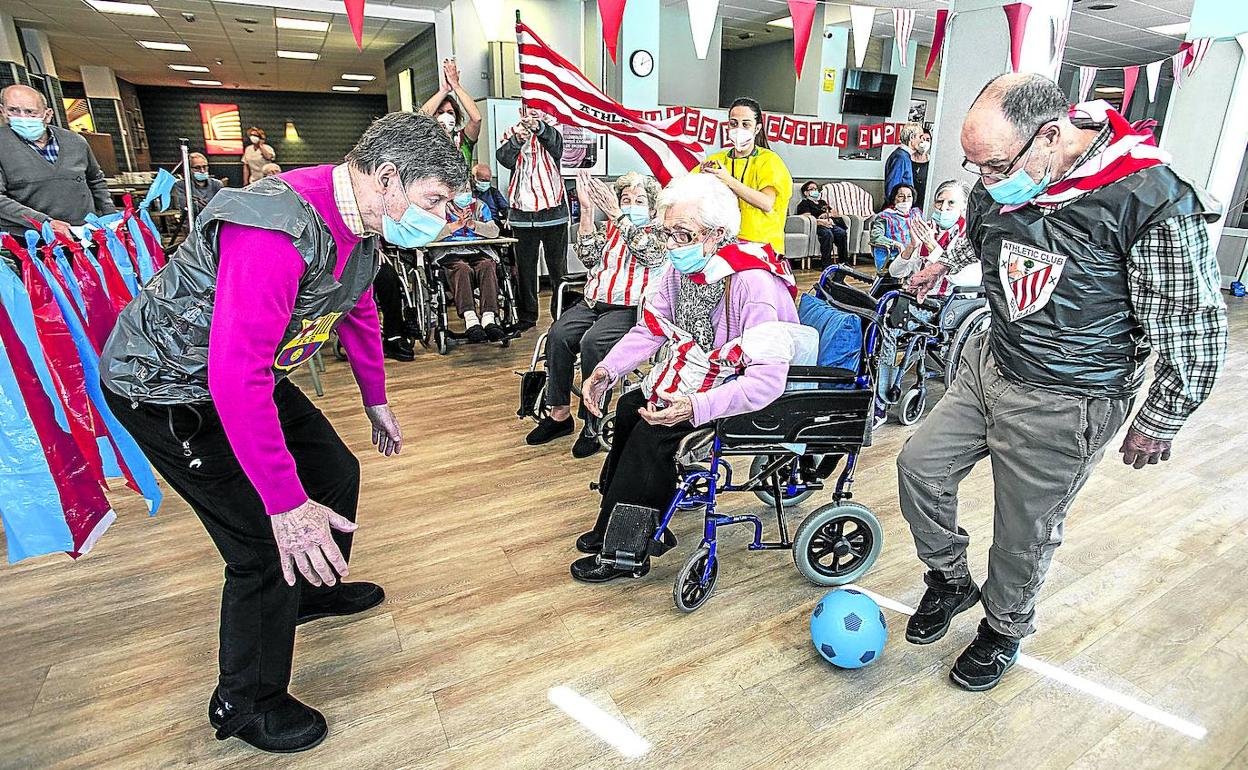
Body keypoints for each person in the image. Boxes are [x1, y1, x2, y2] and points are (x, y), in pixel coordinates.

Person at [99, 111, 464, 753]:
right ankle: (247, 703)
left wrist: (375, 399)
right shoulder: (277, 228)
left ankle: (312, 595)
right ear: (386, 178)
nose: (442, 216)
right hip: (169, 386)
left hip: (249, 372)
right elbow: (232, 377)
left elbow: (356, 304)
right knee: (262, 545)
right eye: (435, 199)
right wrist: (286, 504)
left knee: (335, 471)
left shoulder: (360, 219)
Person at [901, 74, 1226, 692]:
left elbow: (1193, 327)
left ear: (1050, 135)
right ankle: (948, 580)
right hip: (990, 361)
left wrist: (1160, 418)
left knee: (1021, 533)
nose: (985, 183)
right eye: (974, 167)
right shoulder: (1003, 176)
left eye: (994, 167)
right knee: (919, 468)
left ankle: (1003, 628)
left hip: (1068, 397)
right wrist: (948, 261)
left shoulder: (1149, 196)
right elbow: (988, 237)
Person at [569, 174, 800, 583]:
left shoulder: (753, 283)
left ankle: (626, 550)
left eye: (683, 234)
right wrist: (607, 370)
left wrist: (695, 406)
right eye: (666, 233)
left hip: (737, 393)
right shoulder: (682, 272)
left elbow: (767, 383)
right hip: (701, 377)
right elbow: (651, 329)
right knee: (628, 408)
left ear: (717, 235)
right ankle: (620, 520)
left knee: (652, 434)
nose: (671, 245)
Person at [526, 171, 666, 457]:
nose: (629, 204)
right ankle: (559, 414)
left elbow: (650, 257)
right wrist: (588, 211)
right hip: (593, 302)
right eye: (625, 198)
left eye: (638, 200)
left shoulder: (659, 234)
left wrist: (617, 214)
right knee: (558, 335)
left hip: (629, 309)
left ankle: (592, 424)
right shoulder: (610, 229)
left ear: (652, 208)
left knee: (593, 344)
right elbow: (588, 258)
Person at [874, 179, 979, 427]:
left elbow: (962, 278)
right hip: (916, 299)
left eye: (951, 203)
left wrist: (933, 247)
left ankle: (880, 402)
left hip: (947, 305)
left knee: (886, 320)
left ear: (964, 207)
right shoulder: (928, 229)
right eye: (939, 202)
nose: (943, 208)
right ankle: (871, 381)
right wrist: (912, 245)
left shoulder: (969, 239)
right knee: (871, 312)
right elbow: (897, 272)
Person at [0, 84, 116, 238]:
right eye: (13, 111)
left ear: (47, 114)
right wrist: (44, 222)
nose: (22, 117)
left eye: (30, 112)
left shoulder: (75, 141)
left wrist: (110, 216)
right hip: (31, 239)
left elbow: (96, 180)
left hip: (83, 232)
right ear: (2, 111)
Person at [496, 106, 568, 332]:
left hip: (553, 214)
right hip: (521, 216)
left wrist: (540, 128)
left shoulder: (554, 129)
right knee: (525, 271)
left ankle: (561, 315)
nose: (533, 113)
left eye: (538, 108)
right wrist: (517, 140)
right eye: (529, 109)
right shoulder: (512, 132)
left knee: (558, 270)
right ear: (520, 110)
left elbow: (557, 147)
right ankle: (527, 317)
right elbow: (504, 159)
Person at [695, 97, 792, 257]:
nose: (738, 128)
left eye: (745, 124)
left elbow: (766, 203)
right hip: (724, 244)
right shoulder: (717, 159)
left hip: (761, 246)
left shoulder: (769, 160)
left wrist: (729, 181)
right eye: (733, 123)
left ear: (757, 128)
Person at [435, 188, 505, 342]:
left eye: (467, 189)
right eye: (460, 190)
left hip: (478, 249)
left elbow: (494, 231)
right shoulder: (439, 208)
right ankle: (471, 319)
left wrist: (474, 225)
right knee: (462, 269)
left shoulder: (480, 206)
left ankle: (489, 317)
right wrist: (455, 226)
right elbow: (431, 234)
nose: (464, 193)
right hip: (450, 251)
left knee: (487, 265)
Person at [421, 58, 483, 168]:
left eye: (450, 112)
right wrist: (444, 90)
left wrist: (456, 86)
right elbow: (419, 119)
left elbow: (476, 119)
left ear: (456, 116)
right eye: (440, 112)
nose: (446, 116)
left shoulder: (463, 140)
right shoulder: (426, 140)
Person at [794, 180, 848, 267]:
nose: (815, 191)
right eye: (812, 189)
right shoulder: (804, 203)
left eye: (816, 189)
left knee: (841, 233)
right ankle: (826, 264)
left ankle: (844, 262)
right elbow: (807, 218)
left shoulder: (822, 202)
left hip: (830, 224)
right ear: (806, 192)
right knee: (828, 234)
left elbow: (835, 213)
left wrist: (827, 215)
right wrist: (820, 221)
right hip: (818, 226)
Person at [870, 183, 924, 271]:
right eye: (901, 196)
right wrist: (896, 244)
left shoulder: (916, 214)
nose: (905, 200)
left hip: (915, 255)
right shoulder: (885, 216)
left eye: (909, 196)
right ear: (894, 199)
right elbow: (876, 237)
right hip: (894, 256)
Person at [170, 152, 223, 219]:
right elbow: (184, 208)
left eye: (204, 167)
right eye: (197, 168)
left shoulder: (217, 184)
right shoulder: (181, 186)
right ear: (188, 169)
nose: (202, 170)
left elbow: (222, 208)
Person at [884, 122, 924, 200]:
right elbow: (892, 189)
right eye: (920, 137)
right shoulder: (901, 157)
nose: (922, 141)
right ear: (912, 137)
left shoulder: (902, 155)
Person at [912, 128, 932, 205]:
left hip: (924, 202)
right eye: (922, 139)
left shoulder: (931, 161)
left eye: (927, 140)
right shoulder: (907, 159)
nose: (924, 142)